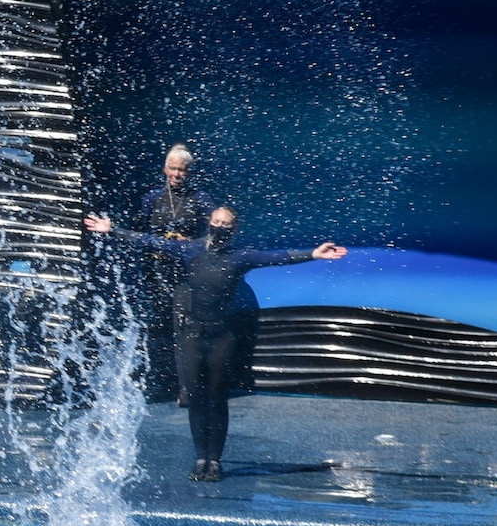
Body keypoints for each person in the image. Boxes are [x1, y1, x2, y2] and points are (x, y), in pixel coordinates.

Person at [84, 206, 347, 481]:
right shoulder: (191, 252)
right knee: (196, 398)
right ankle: (200, 459)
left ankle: (215, 461)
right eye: (216, 221)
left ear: (233, 230)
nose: (220, 227)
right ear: (209, 224)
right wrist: (112, 230)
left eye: (226, 224)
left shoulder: (240, 257)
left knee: (217, 398)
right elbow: (151, 241)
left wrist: (314, 254)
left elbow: (277, 258)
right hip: (193, 335)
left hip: (222, 337)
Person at [136, 143, 212, 404]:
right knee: (156, 327)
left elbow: (213, 236)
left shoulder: (200, 199)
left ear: (189, 172)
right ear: (164, 169)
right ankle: (156, 383)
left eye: (182, 170)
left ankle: (187, 388)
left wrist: (190, 243)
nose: (177, 174)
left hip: (185, 274)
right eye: (172, 168)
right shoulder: (152, 199)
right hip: (156, 272)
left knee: (183, 329)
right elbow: (142, 234)